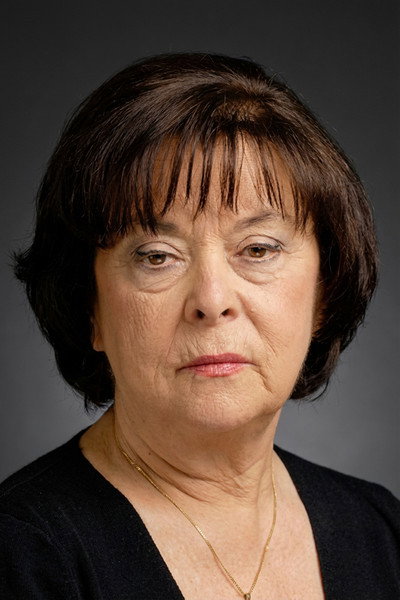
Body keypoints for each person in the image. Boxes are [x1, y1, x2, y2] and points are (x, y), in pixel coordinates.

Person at [1, 52, 399, 600]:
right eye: (157, 256)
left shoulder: (382, 531)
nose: (212, 302)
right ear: (89, 308)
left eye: (257, 249)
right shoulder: (23, 556)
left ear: (323, 293)